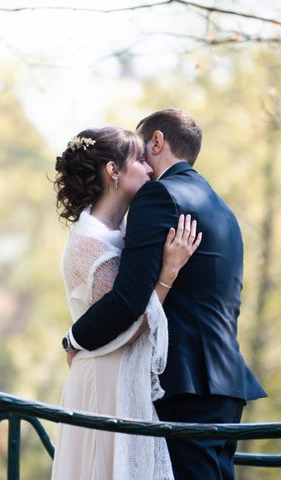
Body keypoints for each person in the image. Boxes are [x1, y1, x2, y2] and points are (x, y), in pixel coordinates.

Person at [64, 109, 267, 480]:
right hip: (227, 381)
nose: (143, 165)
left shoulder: (158, 196)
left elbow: (127, 299)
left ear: (157, 141)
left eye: (144, 153)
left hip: (184, 381)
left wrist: (74, 338)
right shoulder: (220, 206)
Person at [51, 126, 201, 480]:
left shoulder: (122, 233)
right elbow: (128, 322)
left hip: (121, 375)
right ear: (113, 171)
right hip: (102, 382)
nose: (150, 169)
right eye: (138, 160)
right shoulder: (91, 242)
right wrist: (168, 272)